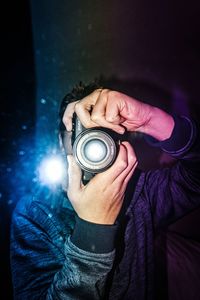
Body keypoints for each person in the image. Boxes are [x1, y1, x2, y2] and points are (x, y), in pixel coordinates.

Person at [10, 81, 200, 300]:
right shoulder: (35, 213)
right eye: (78, 132)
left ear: (119, 139)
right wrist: (93, 230)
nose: (91, 143)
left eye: (101, 132)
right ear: (61, 142)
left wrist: (152, 120)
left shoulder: (140, 191)